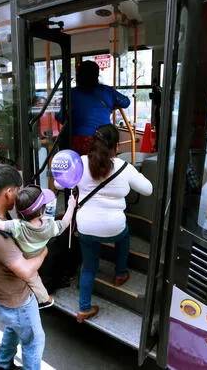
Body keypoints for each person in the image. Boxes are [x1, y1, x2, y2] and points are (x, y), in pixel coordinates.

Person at [75, 124, 152, 323]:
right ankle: (119, 273)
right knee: (124, 236)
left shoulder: (80, 163)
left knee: (89, 267)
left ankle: (84, 309)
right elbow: (148, 190)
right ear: (116, 146)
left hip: (86, 227)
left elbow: (59, 184)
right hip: (114, 227)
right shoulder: (124, 168)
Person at [0, 165, 47, 370]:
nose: (20, 194)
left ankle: (3, 364)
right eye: (18, 189)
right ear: (9, 192)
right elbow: (24, 270)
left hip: (3, 296)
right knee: (34, 341)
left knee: (13, 329)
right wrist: (43, 252)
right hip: (17, 300)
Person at [0, 185, 76, 309]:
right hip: (37, 252)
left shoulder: (17, 226)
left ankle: (44, 298)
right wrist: (71, 206)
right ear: (42, 212)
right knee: (33, 277)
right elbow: (66, 221)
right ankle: (44, 299)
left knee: (33, 278)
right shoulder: (50, 227)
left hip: (24, 256)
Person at [56, 60, 131, 155]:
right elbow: (126, 102)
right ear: (96, 75)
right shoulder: (107, 91)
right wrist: (111, 106)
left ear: (78, 76)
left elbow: (61, 117)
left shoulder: (71, 94)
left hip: (77, 141)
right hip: (102, 140)